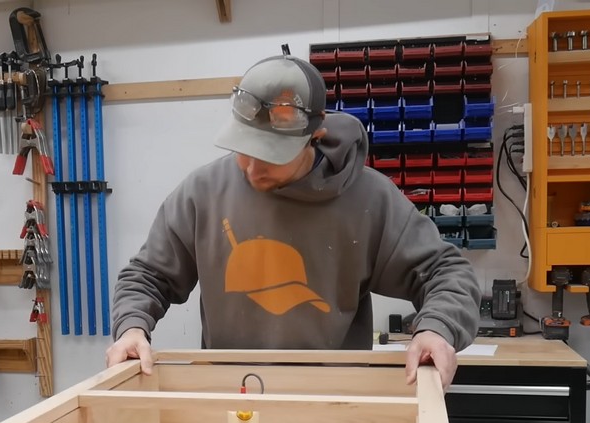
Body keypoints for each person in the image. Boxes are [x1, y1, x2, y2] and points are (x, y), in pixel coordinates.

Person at [105, 50, 481, 390]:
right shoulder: (203, 192)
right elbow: (148, 275)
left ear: (314, 136)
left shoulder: (369, 198)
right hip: (232, 397)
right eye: (242, 149)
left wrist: (436, 328)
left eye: (270, 154)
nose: (251, 169)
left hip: (333, 404)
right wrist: (132, 328)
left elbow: (447, 273)